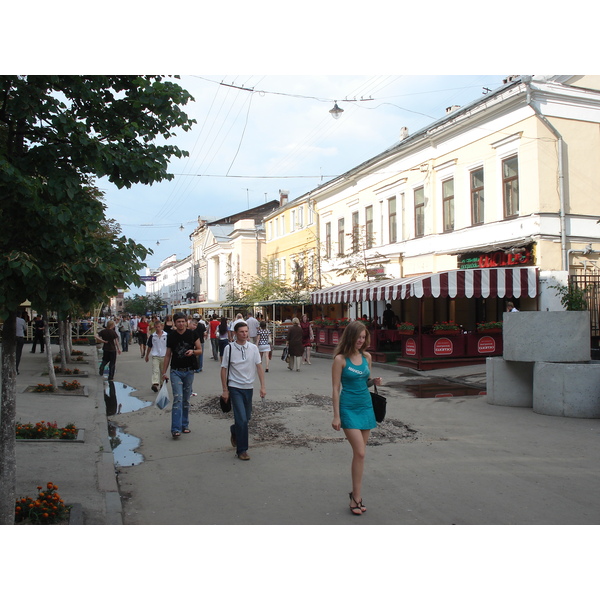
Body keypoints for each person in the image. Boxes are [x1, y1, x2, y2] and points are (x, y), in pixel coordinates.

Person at [331, 320, 382, 516]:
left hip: (366, 406)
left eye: (363, 337)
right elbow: (335, 388)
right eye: (358, 337)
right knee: (360, 452)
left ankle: (356, 495)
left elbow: (364, 382)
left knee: (360, 455)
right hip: (348, 408)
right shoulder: (340, 360)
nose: (361, 340)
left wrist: (373, 381)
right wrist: (336, 416)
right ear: (350, 336)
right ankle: (355, 496)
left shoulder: (367, 357)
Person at [220, 322, 266, 461]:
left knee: (246, 418)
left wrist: (263, 386)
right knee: (242, 418)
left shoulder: (253, 348)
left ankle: (234, 430)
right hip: (235, 387)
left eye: (246, 331)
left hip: (248, 387)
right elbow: (224, 369)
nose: (245, 334)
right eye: (241, 332)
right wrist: (225, 390)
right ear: (235, 333)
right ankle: (242, 450)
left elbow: (259, 367)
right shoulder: (229, 348)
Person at [162, 313, 202, 438]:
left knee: (185, 399)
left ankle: (184, 424)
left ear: (186, 322)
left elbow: (200, 350)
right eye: (178, 321)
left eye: (183, 321)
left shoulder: (192, 334)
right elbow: (168, 354)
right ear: (174, 323)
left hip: (189, 371)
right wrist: (164, 372)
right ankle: (175, 428)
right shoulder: (171, 336)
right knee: (178, 398)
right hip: (176, 371)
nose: (181, 324)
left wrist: (193, 351)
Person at [145, 320, 168, 392]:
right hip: (155, 355)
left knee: (162, 371)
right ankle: (155, 383)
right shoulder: (152, 336)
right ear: (154, 328)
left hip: (164, 355)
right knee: (155, 370)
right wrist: (147, 355)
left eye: (159, 327)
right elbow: (149, 347)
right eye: (156, 327)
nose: (158, 328)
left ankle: (162, 384)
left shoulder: (166, 335)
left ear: (161, 326)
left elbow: (169, 346)